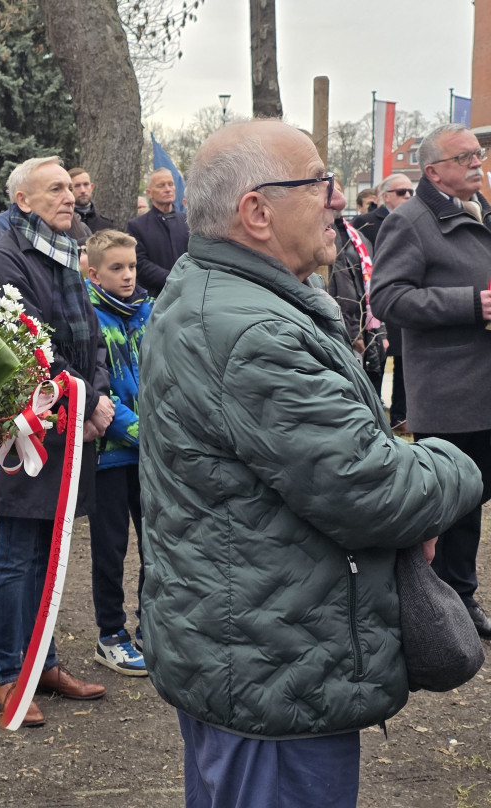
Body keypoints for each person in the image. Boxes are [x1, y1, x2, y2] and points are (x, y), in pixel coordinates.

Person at [138, 119, 482, 808]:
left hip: (249, 644)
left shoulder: (213, 289)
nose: (335, 198)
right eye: (318, 182)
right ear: (256, 212)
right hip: (276, 669)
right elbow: (373, 490)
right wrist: (457, 463)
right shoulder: (252, 330)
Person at [0, 155, 112, 728]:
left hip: (73, 421)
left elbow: (91, 336)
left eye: (70, 188)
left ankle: (45, 661)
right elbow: (30, 347)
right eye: (55, 189)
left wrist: (98, 393)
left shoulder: (63, 252)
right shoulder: (9, 257)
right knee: (18, 552)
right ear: (23, 201)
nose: (70, 196)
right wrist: (82, 398)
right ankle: (8, 672)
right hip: (30, 430)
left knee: (50, 551)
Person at [370, 123, 491, 639]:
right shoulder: (410, 221)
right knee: (457, 499)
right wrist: (470, 303)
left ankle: (453, 595)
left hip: (483, 384)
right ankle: (441, 600)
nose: (477, 161)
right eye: (464, 155)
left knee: (468, 497)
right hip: (451, 389)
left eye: (479, 153)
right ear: (433, 169)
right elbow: (388, 298)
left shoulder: (479, 209)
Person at [83, 229, 151, 677]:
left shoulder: (148, 313)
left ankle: (154, 626)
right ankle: (111, 634)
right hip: (109, 456)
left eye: (132, 266)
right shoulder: (88, 317)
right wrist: (147, 432)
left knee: (157, 544)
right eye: (116, 268)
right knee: (110, 548)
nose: (128, 276)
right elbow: (102, 391)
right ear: (93, 273)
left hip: (150, 457)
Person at [353, 172, 414, 433]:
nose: (408, 196)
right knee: (375, 363)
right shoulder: (365, 223)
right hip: (375, 301)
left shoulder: (416, 220)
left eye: (411, 192)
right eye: (402, 192)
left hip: (404, 299)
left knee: (403, 362)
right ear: (386, 195)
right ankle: (373, 413)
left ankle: (400, 417)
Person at [328, 178, 386, 395]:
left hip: (366, 322)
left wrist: (380, 331)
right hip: (344, 326)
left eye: (339, 191)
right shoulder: (324, 236)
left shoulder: (357, 236)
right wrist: (353, 335)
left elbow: (370, 283)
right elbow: (340, 289)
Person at [125, 167, 190, 297]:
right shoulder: (137, 226)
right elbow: (140, 263)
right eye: (161, 185)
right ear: (149, 192)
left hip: (188, 293)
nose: (167, 189)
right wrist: (173, 279)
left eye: (170, 184)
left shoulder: (187, 221)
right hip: (155, 297)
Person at [69, 167, 114, 233]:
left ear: (92, 187)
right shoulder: (65, 224)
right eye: (77, 186)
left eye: (86, 184)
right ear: (69, 189)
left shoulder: (106, 225)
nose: (83, 190)